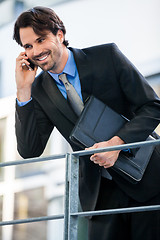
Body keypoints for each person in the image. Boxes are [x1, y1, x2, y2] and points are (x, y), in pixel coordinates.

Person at [13, 6, 160, 240]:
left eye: (41, 40)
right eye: (28, 46)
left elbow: (152, 106)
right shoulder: (38, 90)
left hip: (148, 180)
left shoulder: (107, 57)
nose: (36, 51)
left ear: (59, 35)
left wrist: (117, 144)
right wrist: (23, 90)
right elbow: (29, 150)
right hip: (100, 195)